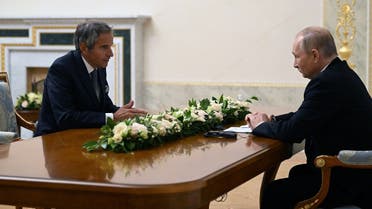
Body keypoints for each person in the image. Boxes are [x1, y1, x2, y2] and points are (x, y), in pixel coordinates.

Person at [246, 26, 372, 209]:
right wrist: (272, 121)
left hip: (345, 181)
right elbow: (305, 115)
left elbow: (294, 131)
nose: (294, 64)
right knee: (295, 176)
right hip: (354, 175)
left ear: (314, 55)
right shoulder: (340, 73)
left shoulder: (327, 82)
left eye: (297, 56)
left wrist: (260, 126)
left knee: (275, 193)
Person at [35, 21, 147, 136]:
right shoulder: (62, 68)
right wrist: (112, 117)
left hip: (83, 136)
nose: (111, 54)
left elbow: (103, 105)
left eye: (110, 46)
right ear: (84, 47)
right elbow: (65, 117)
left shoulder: (99, 67)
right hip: (54, 139)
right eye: (104, 47)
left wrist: (124, 113)